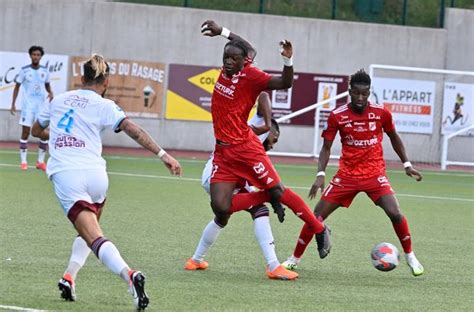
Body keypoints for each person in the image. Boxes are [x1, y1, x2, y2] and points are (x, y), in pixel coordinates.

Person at [31, 54, 182, 310]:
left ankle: (130, 276)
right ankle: (70, 276)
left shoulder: (58, 100)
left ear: (81, 78)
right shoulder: (105, 104)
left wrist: (59, 135)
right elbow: (133, 129)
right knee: (89, 230)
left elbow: (36, 130)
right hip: (97, 176)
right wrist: (163, 154)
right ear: (107, 81)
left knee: (95, 237)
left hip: (68, 175)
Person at [198, 20, 330, 268]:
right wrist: (223, 33)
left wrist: (288, 61)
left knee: (280, 190)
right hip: (223, 152)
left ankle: (318, 228)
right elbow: (245, 47)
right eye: (225, 57)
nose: (227, 61)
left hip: (246, 149)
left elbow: (285, 83)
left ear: (243, 62)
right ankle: (266, 195)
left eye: (233, 59)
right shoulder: (230, 66)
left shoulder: (251, 76)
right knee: (220, 207)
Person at [282, 69, 425, 277]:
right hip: (347, 176)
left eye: (364, 94)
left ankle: (411, 257)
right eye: (356, 93)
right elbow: (326, 147)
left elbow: (394, 137)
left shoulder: (381, 113)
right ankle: (294, 259)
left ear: (369, 93)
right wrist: (320, 174)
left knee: (395, 213)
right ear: (350, 91)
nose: (360, 97)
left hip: (375, 174)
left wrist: (407, 164)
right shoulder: (338, 116)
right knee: (315, 216)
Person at [185, 92, 298, 280]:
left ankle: (195, 260)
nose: (273, 144)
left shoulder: (256, 148)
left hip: (219, 177)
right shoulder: (258, 124)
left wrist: (275, 200)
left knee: (222, 218)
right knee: (259, 210)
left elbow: (261, 182)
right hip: (219, 176)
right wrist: (268, 123)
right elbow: (262, 95)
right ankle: (274, 266)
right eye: (274, 138)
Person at [10, 45, 54, 171]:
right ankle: (23, 161)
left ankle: (40, 162)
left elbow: (47, 85)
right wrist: (13, 103)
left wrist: (51, 92)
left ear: (41, 56)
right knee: (25, 132)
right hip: (28, 106)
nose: (36, 57)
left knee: (44, 132)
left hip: (41, 107)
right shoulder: (24, 70)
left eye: (38, 55)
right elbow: (17, 86)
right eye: (34, 54)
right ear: (30, 56)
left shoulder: (45, 71)